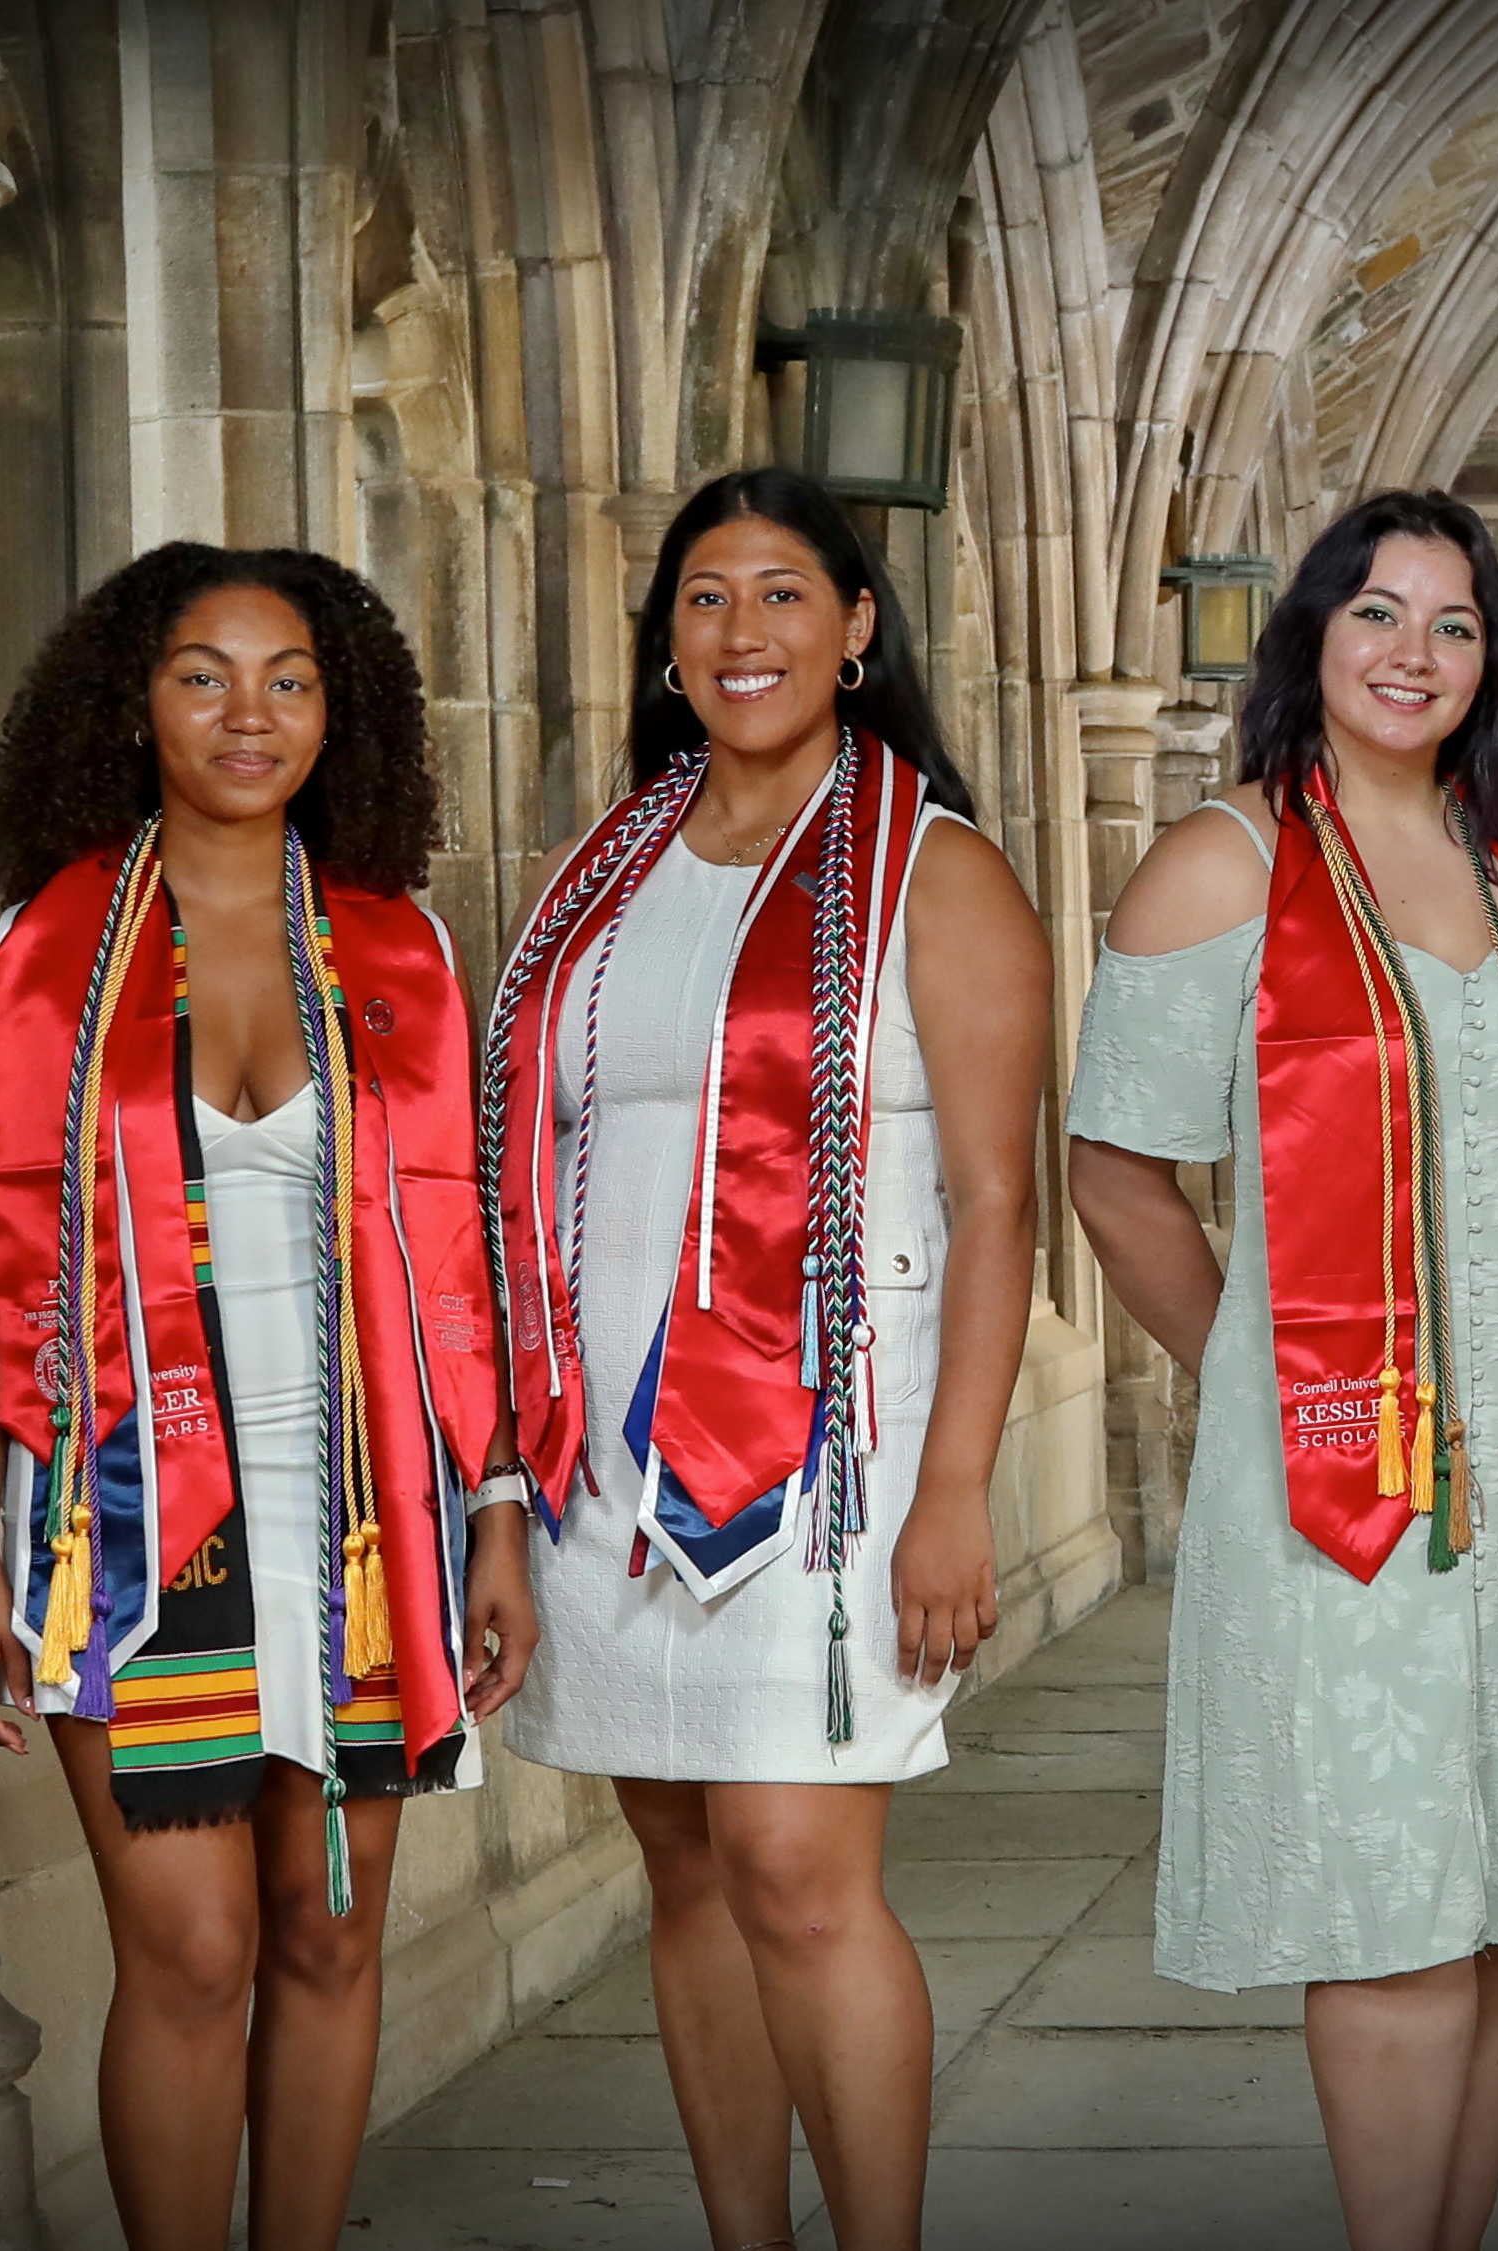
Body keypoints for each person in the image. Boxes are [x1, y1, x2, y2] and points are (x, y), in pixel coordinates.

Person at [1069, 488, 1498, 2251]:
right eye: (1375, 614)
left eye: (1452, 623)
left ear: (1490, 662)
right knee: (1396, 1911)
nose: (1411, 653)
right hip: (1351, 1485)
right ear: (1311, 640)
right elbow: (1117, 1177)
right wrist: (1267, 1385)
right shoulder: (1228, 862)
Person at [0, 543, 543, 2251]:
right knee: (192, 1951)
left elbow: (464, 1262)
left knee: (331, 1933)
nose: (248, 713)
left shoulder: (399, 948)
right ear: (133, 701)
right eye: (204, 673)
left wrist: (497, 1512)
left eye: (289, 678)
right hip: (120, 1511)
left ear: (337, 712)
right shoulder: (39, 957)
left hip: (370, 1512)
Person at [477, 465, 1052, 2251]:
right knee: (683, 1862)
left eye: (787, 593)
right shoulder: (603, 875)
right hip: (604, 1461)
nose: (745, 632)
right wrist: (504, 1489)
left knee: (801, 1873)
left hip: (833, 1461)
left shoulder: (934, 875)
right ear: (666, 639)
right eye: (708, 597)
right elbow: (524, 1169)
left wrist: (956, 1485)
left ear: (859, 628)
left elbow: (995, 1199)